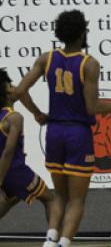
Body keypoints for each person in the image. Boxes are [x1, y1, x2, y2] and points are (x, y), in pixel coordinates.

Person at [15, 9, 111, 247]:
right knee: (77, 199)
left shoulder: (46, 58)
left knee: (60, 195)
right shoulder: (89, 64)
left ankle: (50, 239)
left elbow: (19, 91)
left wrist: (37, 114)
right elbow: (92, 108)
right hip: (78, 134)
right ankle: (64, 243)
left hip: (54, 133)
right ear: (81, 34)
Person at [0, 69, 59, 240]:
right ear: (5, 91)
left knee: (12, 199)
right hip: (14, 170)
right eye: (10, 85)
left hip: (6, 171)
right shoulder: (14, 117)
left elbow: (21, 92)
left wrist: (37, 114)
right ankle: (53, 241)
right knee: (50, 199)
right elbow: (8, 152)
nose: (14, 88)